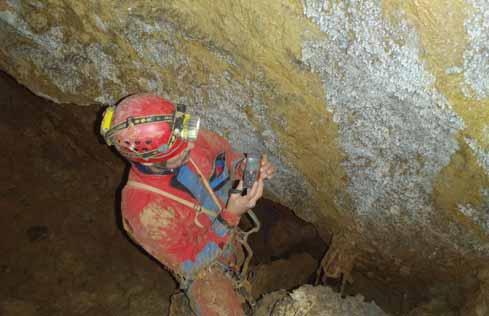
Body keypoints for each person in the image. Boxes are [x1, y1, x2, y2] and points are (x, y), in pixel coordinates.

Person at [100, 93, 275, 316]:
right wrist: (230, 215)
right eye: (179, 153)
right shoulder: (143, 209)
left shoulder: (184, 138)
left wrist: (246, 167)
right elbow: (190, 264)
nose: (190, 148)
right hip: (205, 269)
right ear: (153, 161)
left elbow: (228, 158)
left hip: (230, 238)